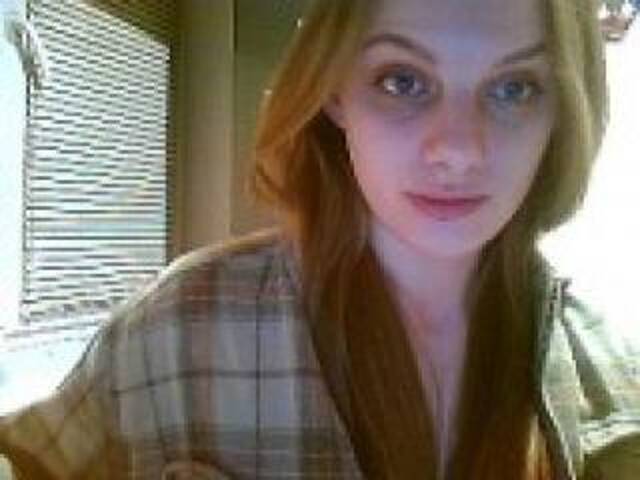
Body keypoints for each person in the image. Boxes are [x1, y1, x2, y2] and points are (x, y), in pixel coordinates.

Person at [1, 0, 639, 478]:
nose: (458, 150)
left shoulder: (615, 383)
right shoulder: (175, 332)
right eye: (403, 80)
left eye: (513, 89)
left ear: (563, 108)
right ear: (334, 90)